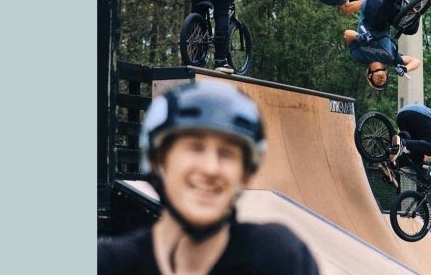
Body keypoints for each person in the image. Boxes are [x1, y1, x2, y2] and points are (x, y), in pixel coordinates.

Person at [98, 82, 319, 274]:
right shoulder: (109, 265)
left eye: (227, 153)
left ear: (244, 175)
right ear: (158, 161)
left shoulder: (277, 258)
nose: (211, 168)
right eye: (195, 147)